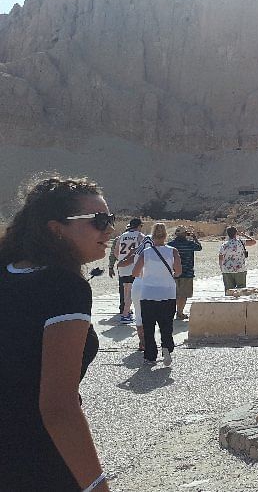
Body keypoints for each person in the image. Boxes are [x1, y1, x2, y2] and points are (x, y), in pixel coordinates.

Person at [0, 176, 112, 491]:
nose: (109, 230)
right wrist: (96, 485)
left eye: (110, 220)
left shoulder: (6, 274)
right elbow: (58, 408)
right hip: (34, 458)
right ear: (56, 228)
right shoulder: (65, 288)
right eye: (99, 221)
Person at [132, 222, 181, 366]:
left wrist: (147, 274)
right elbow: (178, 271)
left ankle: (150, 356)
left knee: (149, 326)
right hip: (168, 293)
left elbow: (135, 272)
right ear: (166, 236)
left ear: (152, 236)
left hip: (148, 294)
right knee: (166, 325)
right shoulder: (173, 251)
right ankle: (166, 348)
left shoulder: (146, 253)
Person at [108, 217, 145, 324]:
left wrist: (122, 259)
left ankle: (126, 311)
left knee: (126, 291)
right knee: (132, 292)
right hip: (134, 266)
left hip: (123, 266)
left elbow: (115, 252)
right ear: (138, 226)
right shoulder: (140, 236)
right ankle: (125, 314)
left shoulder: (122, 236)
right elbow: (143, 251)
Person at [169, 225, 202, 321]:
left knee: (174, 294)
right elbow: (199, 247)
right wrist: (194, 237)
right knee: (183, 295)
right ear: (185, 234)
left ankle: (174, 311)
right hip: (187, 273)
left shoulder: (171, 244)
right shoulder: (190, 244)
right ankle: (180, 312)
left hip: (173, 272)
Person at [218, 226, 253, 294]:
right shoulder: (241, 242)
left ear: (227, 234)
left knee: (229, 291)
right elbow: (253, 242)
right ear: (236, 233)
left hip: (227, 270)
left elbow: (220, 257)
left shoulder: (224, 245)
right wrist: (243, 235)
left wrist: (222, 269)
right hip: (240, 269)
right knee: (241, 290)